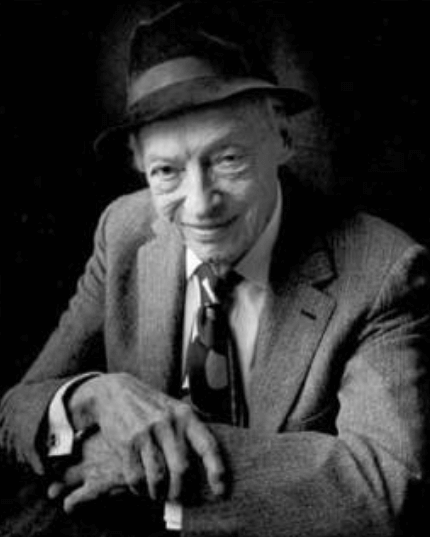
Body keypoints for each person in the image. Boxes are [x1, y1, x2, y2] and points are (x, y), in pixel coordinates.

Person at [1, 2, 430, 536]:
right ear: (138, 163)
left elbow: (386, 484)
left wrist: (153, 468)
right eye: (166, 171)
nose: (201, 204)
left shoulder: (384, 270)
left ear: (282, 137)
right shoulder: (123, 229)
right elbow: (18, 407)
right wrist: (89, 395)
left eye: (229, 159)